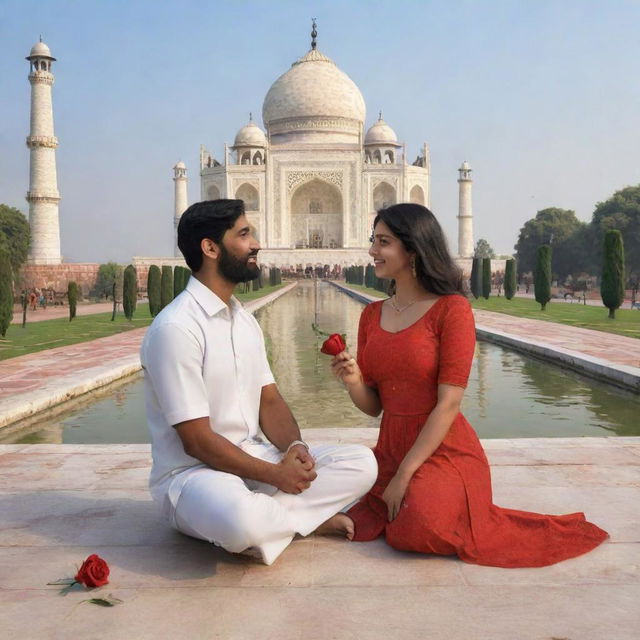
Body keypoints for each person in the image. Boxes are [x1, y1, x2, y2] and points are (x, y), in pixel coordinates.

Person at [330, 203, 608, 568]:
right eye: (373, 240)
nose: (372, 251)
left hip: (442, 448)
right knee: (351, 499)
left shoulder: (451, 310)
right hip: (391, 444)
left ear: (412, 250)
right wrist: (353, 382)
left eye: (383, 242)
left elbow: (449, 403)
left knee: (416, 528)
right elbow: (375, 405)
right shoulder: (372, 315)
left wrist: (404, 473)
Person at [141, 199, 377, 565]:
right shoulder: (177, 328)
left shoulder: (243, 320)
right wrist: (275, 475)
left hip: (252, 457)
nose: (256, 244)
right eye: (244, 234)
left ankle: (279, 520)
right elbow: (196, 441)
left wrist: (295, 447)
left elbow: (270, 400)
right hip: (196, 476)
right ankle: (307, 520)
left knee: (363, 463)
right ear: (210, 248)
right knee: (241, 520)